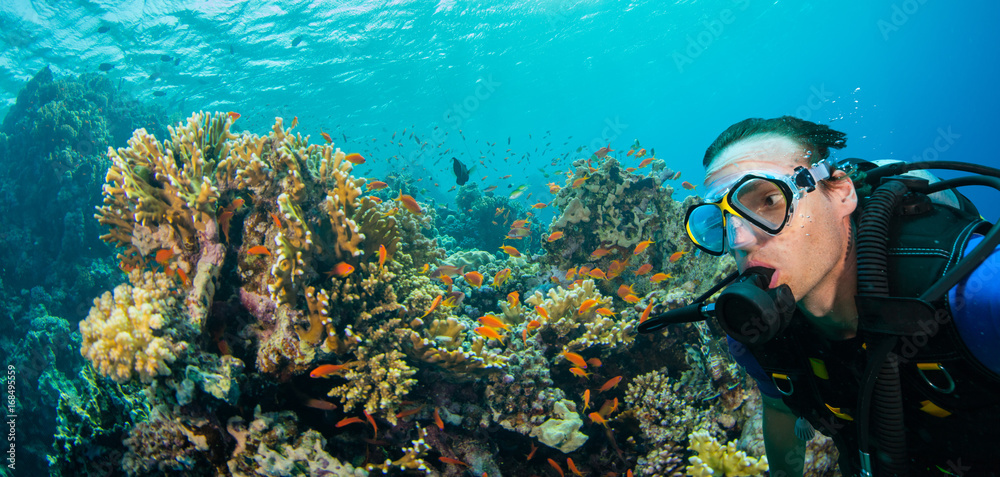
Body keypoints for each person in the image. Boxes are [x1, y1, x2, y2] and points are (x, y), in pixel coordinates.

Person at [686, 116, 1000, 476]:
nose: (739, 239)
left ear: (841, 193)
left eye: (769, 199)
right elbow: (780, 407)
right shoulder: (756, 335)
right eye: (722, 220)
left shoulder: (973, 293)